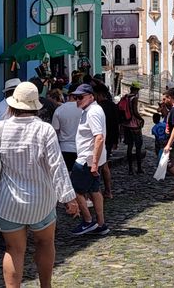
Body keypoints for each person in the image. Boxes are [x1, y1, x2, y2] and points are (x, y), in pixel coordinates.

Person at [0, 82, 79, 288]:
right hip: (41, 201)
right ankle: (45, 286)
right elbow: (57, 167)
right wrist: (69, 198)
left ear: (12, 105)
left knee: (13, 250)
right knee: (45, 243)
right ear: (36, 105)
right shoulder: (45, 130)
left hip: (8, 202)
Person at [68, 84, 109, 236]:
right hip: (91, 158)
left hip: (86, 159)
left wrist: (93, 164)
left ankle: (87, 221)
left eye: (80, 97)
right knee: (94, 190)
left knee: (75, 190)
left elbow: (98, 137)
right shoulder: (91, 110)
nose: (77, 100)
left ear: (91, 97)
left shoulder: (92, 112)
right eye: (75, 97)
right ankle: (101, 223)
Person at [51, 89, 82, 170]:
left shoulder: (59, 110)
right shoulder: (84, 109)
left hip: (64, 148)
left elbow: (55, 131)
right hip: (81, 147)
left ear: (69, 96)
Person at [121, 85, 145, 174]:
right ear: (136, 90)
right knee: (138, 147)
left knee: (129, 147)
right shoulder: (134, 98)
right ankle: (139, 168)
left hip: (126, 124)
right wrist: (141, 119)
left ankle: (130, 169)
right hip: (134, 125)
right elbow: (135, 111)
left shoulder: (125, 97)